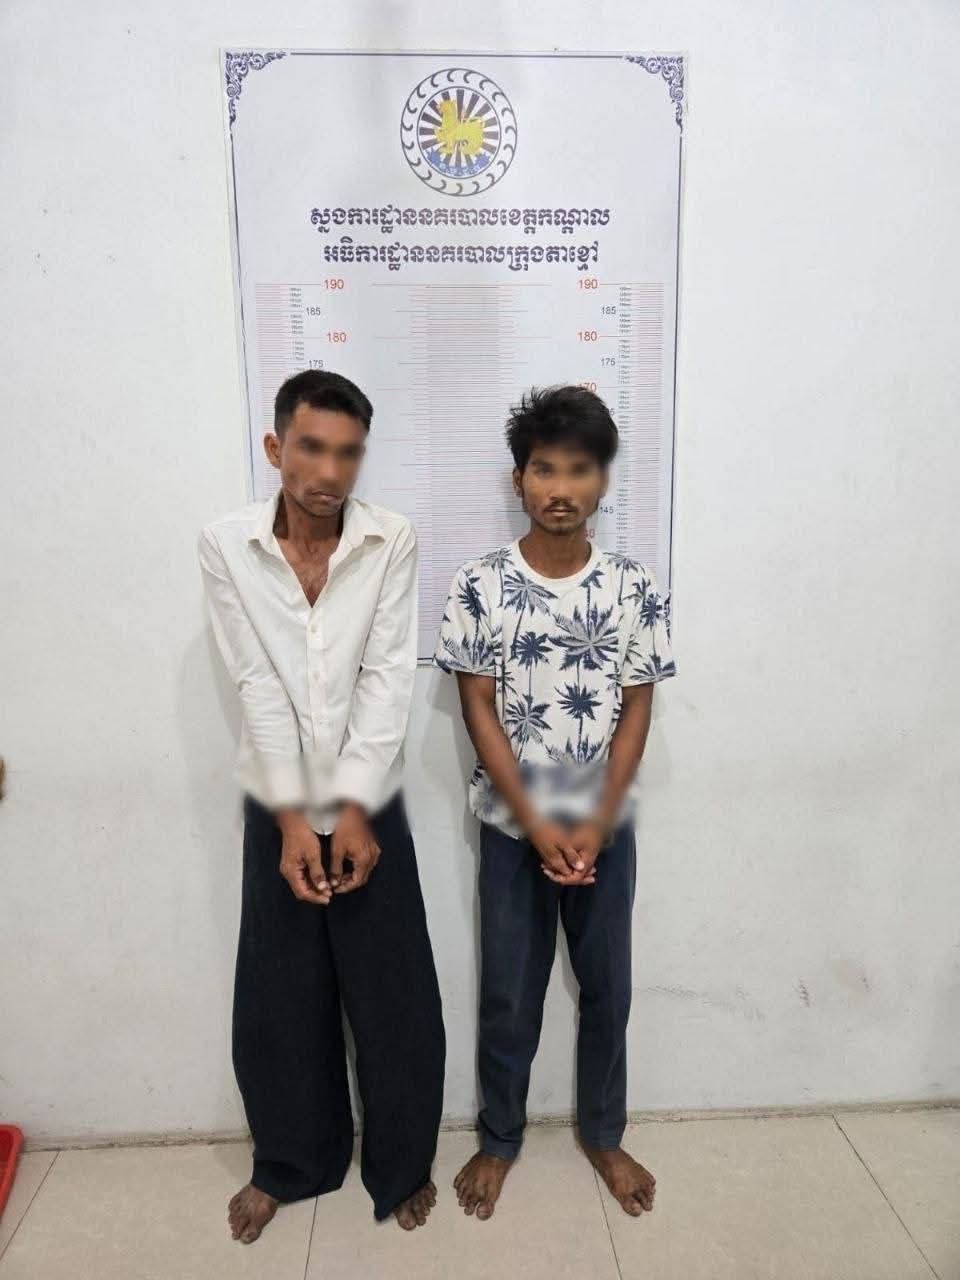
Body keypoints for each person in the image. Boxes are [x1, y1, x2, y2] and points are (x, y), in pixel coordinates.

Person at [198, 370, 445, 1241]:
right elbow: (255, 682)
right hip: (277, 796)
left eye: (348, 453)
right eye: (311, 448)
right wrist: (295, 819)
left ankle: (402, 1163)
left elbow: (387, 677)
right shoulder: (226, 545)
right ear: (276, 448)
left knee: (393, 992)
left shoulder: (389, 540)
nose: (329, 472)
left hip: (370, 792)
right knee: (281, 993)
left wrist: (357, 811)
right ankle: (292, 1163)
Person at [435, 385, 675, 1222]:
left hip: (605, 826)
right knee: (509, 993)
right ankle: (499, 1138)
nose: (560, 488)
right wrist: (537, 824)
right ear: (519, 480)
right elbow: (477, 706)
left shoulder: (633, 587)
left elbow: (637, 707)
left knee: (608, 988)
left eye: (579, 470)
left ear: (602, 481)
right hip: (514, 829)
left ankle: (603, 1134)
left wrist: (598, 819)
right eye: (543, 469)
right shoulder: (479, 584)